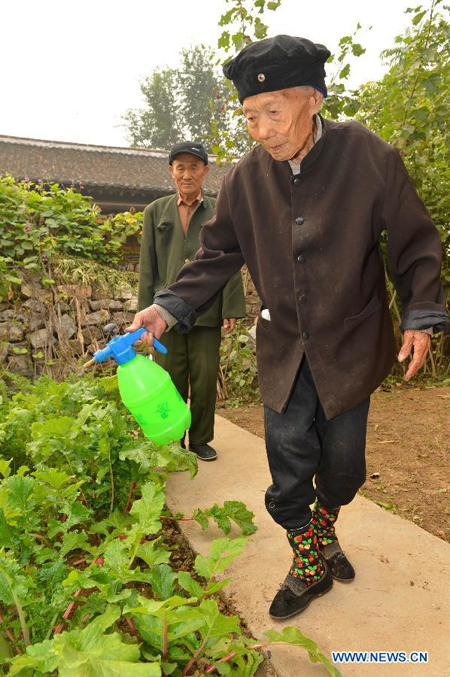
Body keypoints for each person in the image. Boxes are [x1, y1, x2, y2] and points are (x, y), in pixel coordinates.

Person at [128, 36, 449, 619]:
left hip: (351, 341)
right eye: (251, 117)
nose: (262, 131)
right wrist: (167, 306)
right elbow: (216, 254)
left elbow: (415, 243)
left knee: (346, 465)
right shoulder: (248, 178)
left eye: (273, 113)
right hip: (282, 345)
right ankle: (308, 559)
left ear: (313, 100)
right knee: (287, 455)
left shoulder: (369, 158)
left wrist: (421, 316)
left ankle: (323, 533)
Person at [136, 141, 245, 462]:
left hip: (206, 310)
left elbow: (229, 258)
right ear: (171, 171)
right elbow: (147, 267)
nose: (187, 174)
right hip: (163, 313)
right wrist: (145, 312)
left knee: (204, 376)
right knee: (169, 379)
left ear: (205, 171)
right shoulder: (155, 211)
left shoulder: (218, 210)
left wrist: (232, 306)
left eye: (194, 167)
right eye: (180, 167)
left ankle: (200, 439)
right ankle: (171, 440)